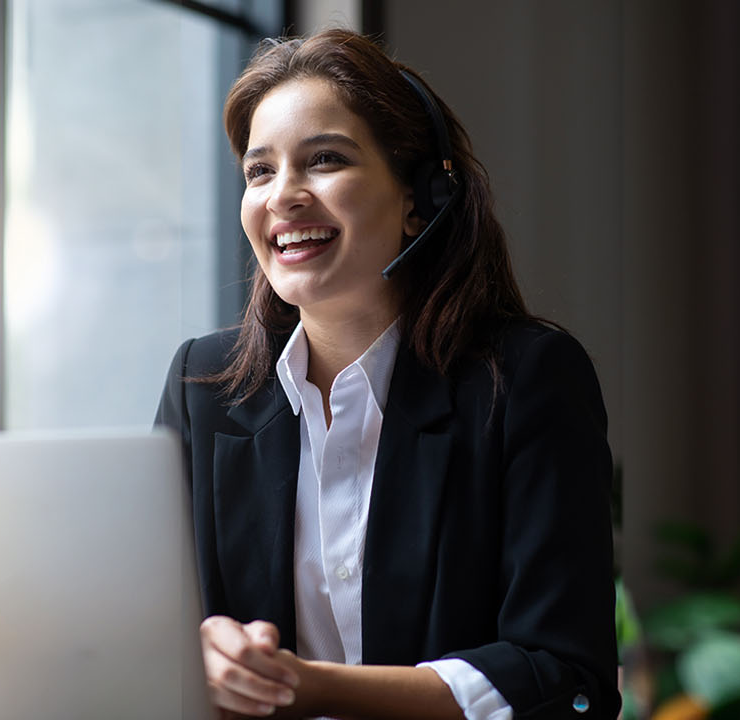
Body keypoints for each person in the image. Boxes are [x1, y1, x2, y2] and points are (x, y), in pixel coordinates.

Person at [154, 29, 618, 720]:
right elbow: (147, 629)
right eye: (260, 171)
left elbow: (564, 676)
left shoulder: (523, 380)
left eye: (325, 160)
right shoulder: (206, 387)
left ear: (416, 198)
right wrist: (202, 650)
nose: (283, 196)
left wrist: (304, 686)